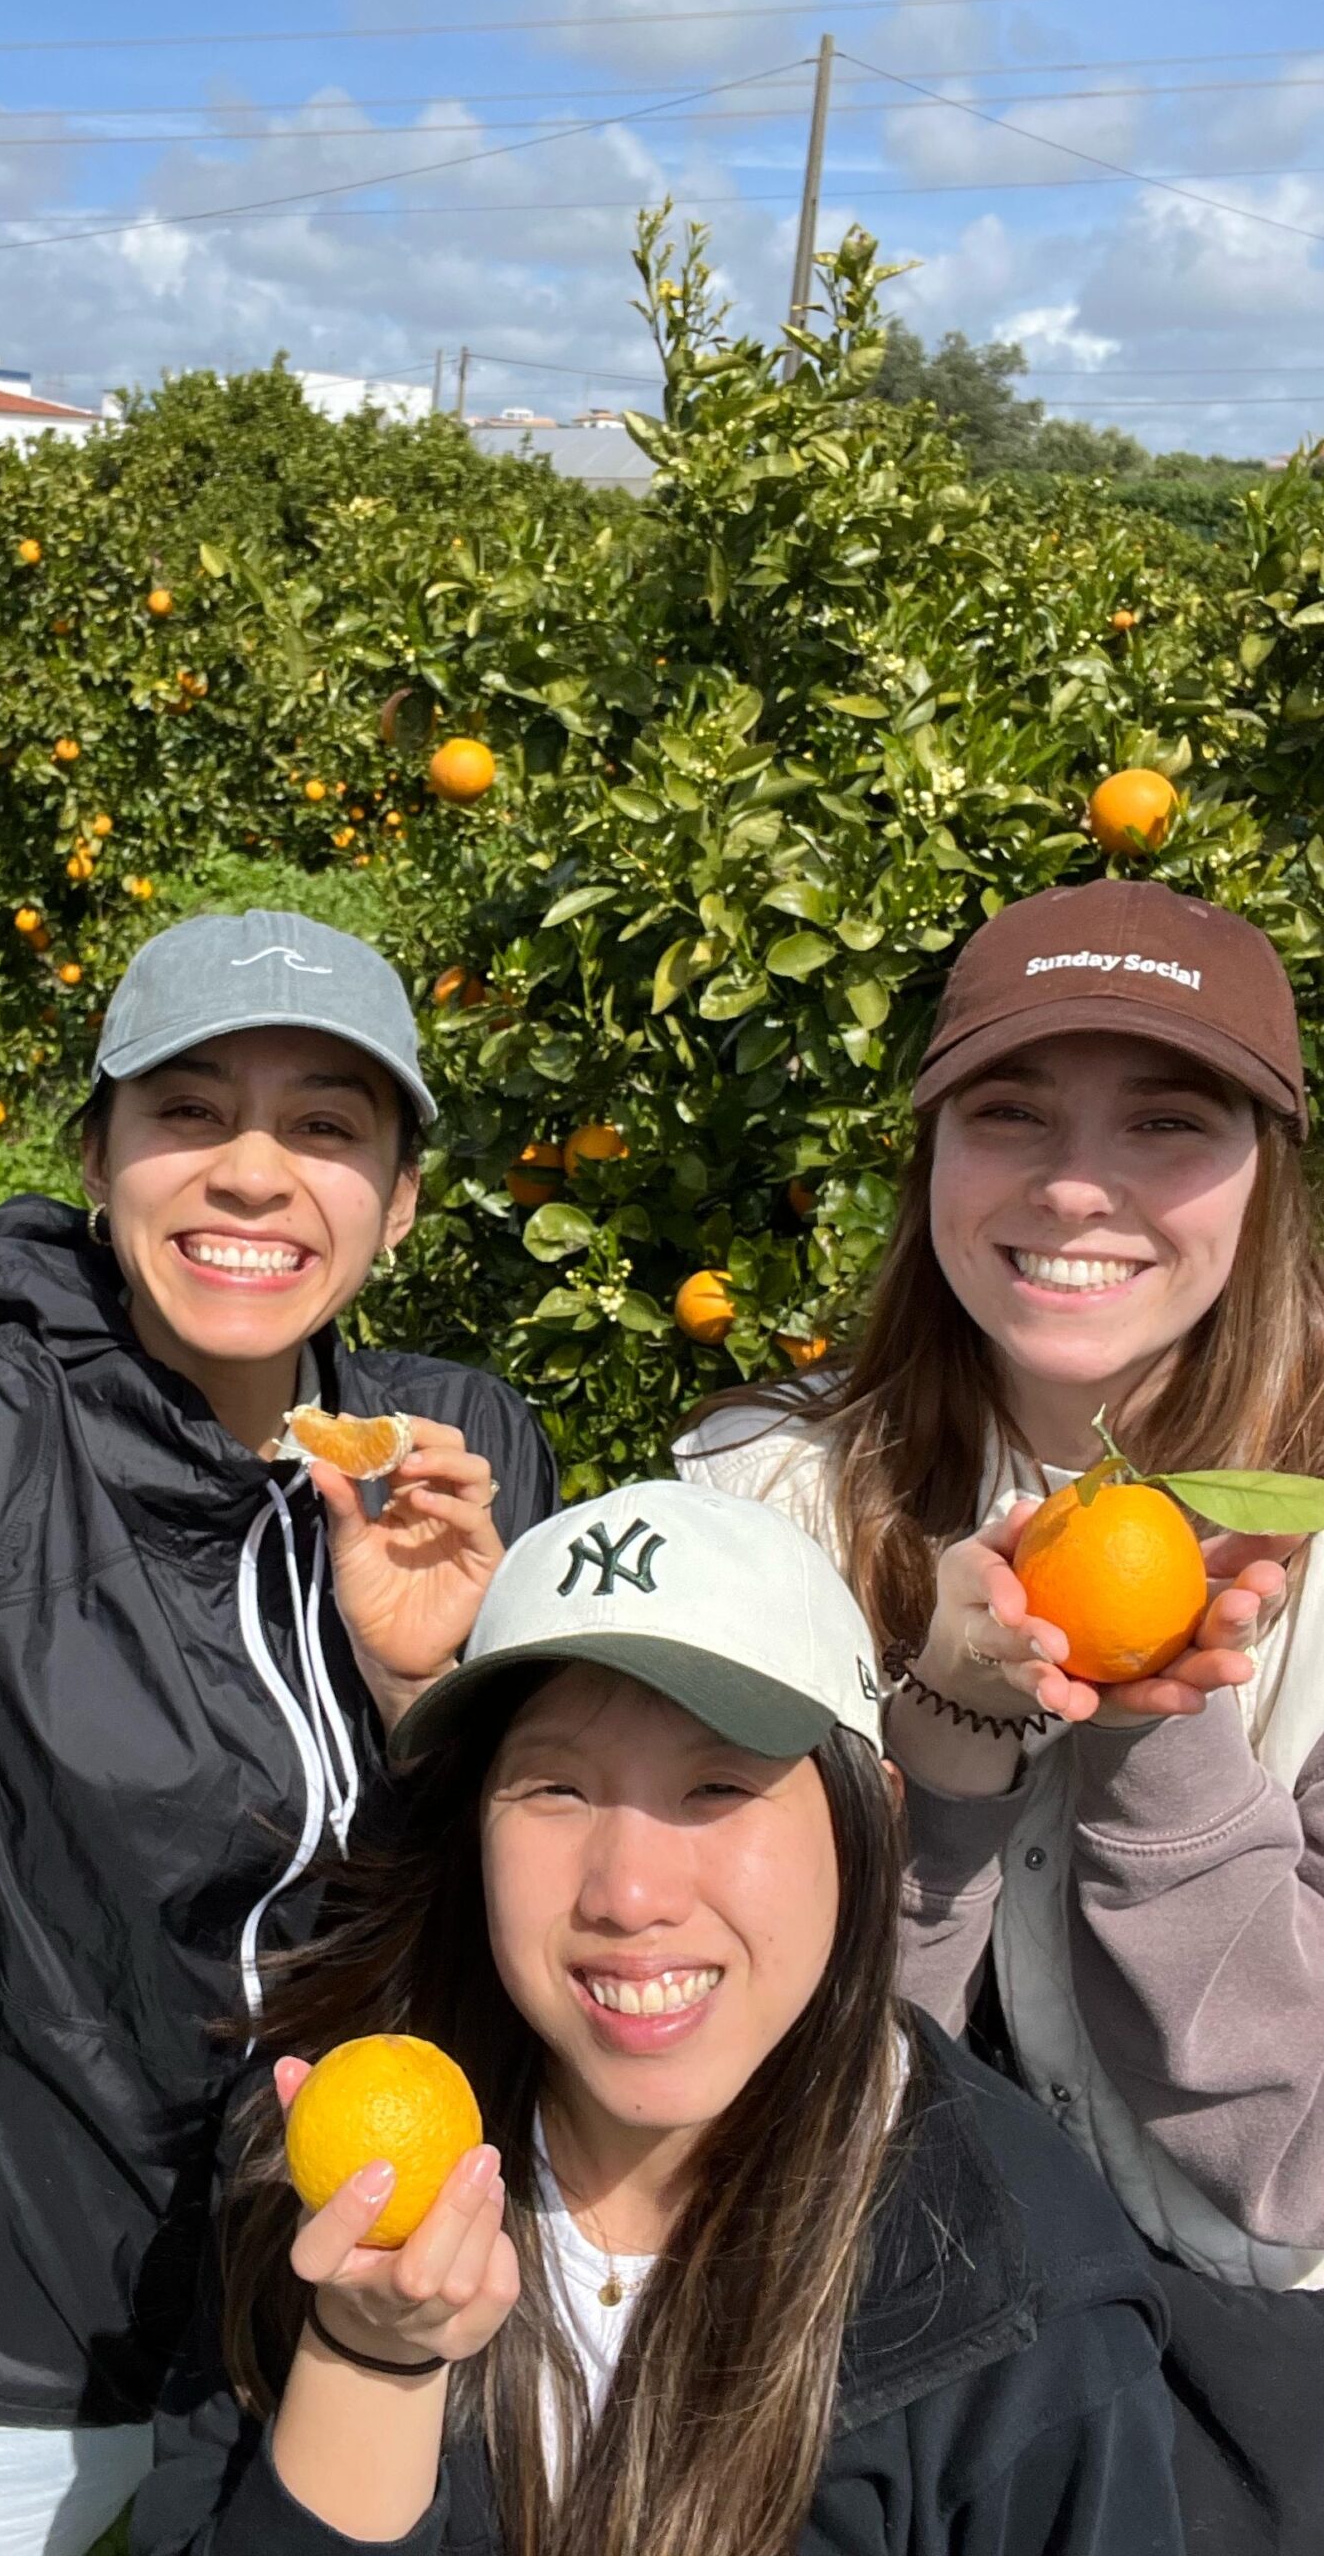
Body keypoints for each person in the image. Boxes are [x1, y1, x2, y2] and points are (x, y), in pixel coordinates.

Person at [0, 905, 560, 2554]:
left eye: (324, 1126)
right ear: (96, 1160)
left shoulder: (461, 1452)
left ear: (399, 1201)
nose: (252, 1174)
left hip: (345, 2324)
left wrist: (424, 1694)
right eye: (188, 1112)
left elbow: (532, 1879)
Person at [134, 1478, 1181, 2556]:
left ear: (872, 1811)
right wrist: (370, 2358)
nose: (629, 1894)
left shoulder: (1025, 2300)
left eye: (717, 1787)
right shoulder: (324, 2171)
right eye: (556, 1789)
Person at [676, 877, 1324, 2550]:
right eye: (1010, 1113)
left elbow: (1296, 2157)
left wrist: (1155, 1729)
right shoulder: (763, 1502)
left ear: (1266, 1174)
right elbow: (741, 2063)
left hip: (1262, 2386)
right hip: (863, 2328)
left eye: (1167, 1123)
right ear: (933, 1157)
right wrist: (942, 1736)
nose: (1077, 1185)